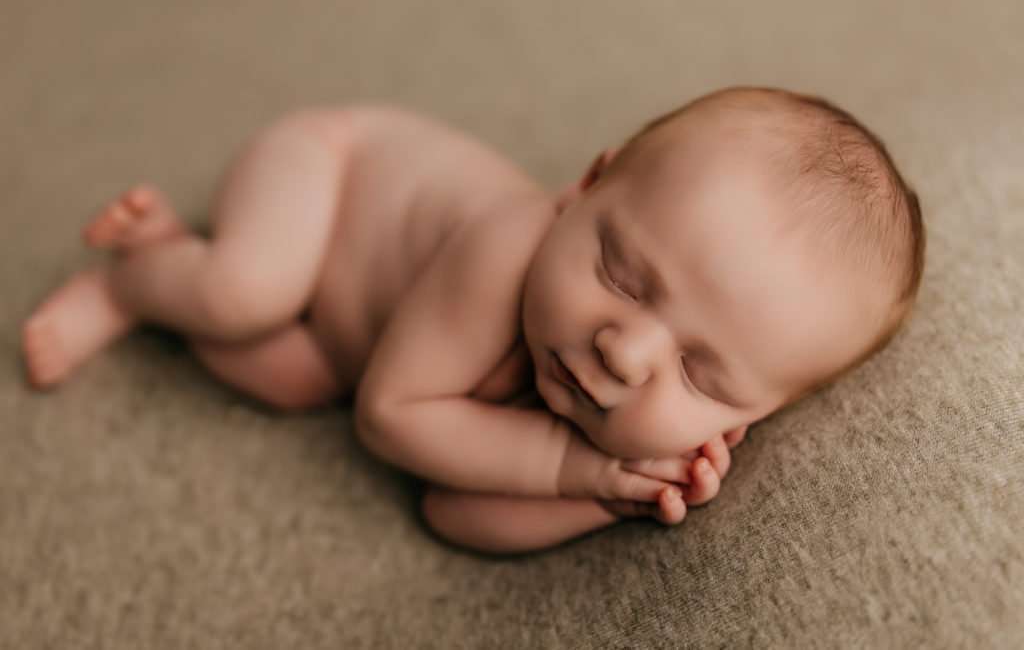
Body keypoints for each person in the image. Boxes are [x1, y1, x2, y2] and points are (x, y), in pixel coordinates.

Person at [21, 87, 925, 554]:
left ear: (748, 416)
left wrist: (612, 495)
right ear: (585, 185)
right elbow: (389, 420)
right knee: (246, 291)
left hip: (354, 337)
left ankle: (173, 251)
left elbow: (454, 510)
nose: (626, 347)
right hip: (328, 175)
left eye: (703, 375)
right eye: (619, 270)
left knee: (289, 378)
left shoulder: (613, 414)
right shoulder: (509, 248)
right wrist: (575, 463)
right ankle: (136, 284)